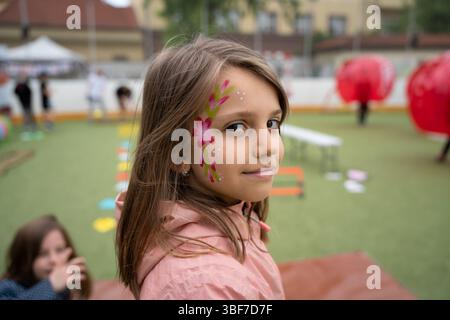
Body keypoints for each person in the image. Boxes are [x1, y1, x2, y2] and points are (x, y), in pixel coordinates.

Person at [115, 36, 288, 299]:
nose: (268, 147)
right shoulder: (205, 288)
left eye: (272, 124)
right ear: (178, 151)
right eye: (236, 128)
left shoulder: (237, 211)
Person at [0, 215, 91, 300]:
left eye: (59, 250)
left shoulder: (65, 283)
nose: (54, 260)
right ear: (23, 259)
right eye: (43, 254)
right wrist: (50, 285)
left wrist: (75, 291)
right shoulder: (8, 288)